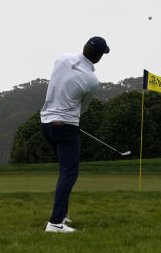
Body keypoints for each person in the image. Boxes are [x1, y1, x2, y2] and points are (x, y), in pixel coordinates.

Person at [39, 36, 110, 233]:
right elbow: (82, 108)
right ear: (98, 58)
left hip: (46, 123)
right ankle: (55, 223)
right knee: (69, 174)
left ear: (85, 46)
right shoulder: (91, 80)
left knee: (65, 172)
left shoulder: (63, 58)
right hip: (66, 127)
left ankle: (61, 215)